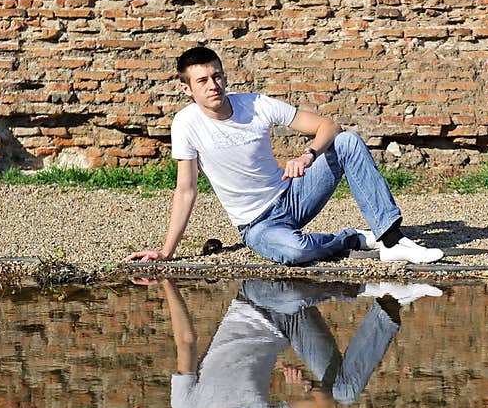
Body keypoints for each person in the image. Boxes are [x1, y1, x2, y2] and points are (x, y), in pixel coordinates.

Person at [126, 46, 444, 266]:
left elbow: (329, 125)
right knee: (294, 252)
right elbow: (186, 190)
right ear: (187, 89)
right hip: (256, 225)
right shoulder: (185, 124)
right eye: (203, 81)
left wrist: (307, 155)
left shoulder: (257, 104)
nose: (214, 86)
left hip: (293, 195)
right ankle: (352, 240)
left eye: (217, 76)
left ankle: (390, 240)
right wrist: (167, 252)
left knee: (347, 142)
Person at [158, 277, 442, 408]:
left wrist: (166, 282)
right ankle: (390, 302)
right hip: (292, 325)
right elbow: (323, 403)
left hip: (256, 299)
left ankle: (366, 288)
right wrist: (307, 386)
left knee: (290, 297)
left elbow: (186, 342)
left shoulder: (186, 407)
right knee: (345, 393)